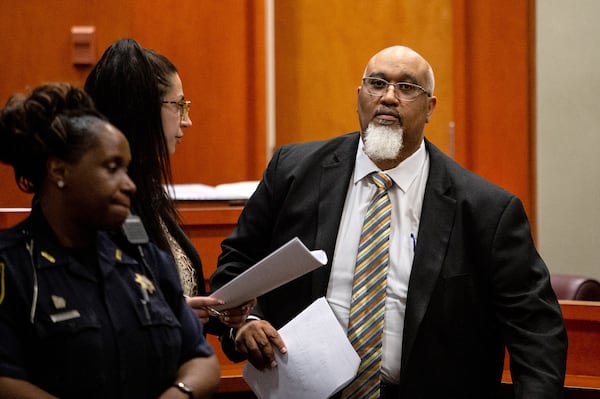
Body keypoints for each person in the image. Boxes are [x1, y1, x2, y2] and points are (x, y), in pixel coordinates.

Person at [210, 46, 568, 398]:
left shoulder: (486, 210)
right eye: (377, 84)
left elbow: (535, 328)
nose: (389, 97)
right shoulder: (293, 171)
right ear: (359, 97)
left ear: (430, 108)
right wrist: (248, 322)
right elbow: (237, 262)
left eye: (407, 87)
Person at [0, 83, 220, 398]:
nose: (129, 185)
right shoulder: (13, 265)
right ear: (58, 170)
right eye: (112, 168)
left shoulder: (144, 258)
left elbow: (202, 359)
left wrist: (179, 393)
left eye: (127, 170)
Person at [85, 38, 254, 329]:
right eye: (179, 105)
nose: (187, 121)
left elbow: (183, 301)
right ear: (144, 109)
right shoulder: (92, 207)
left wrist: (227, 318)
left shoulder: (149, 194)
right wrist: (172, 313)